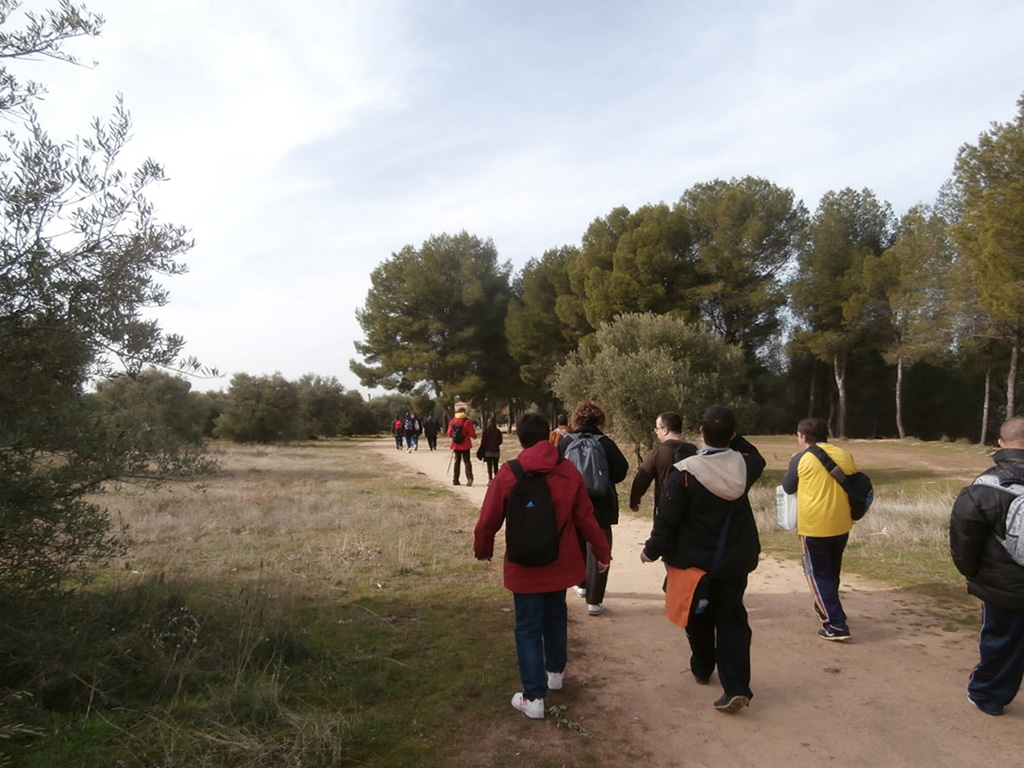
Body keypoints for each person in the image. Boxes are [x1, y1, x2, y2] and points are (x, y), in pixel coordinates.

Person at [474, 412, 612, 719]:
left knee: (527, 628)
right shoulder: (568, 471)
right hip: (559, 564)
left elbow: (487, 522)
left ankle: (533, 698)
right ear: (548, 436)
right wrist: (602, 553)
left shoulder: (510, 473)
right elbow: (587, 520)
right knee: (555, 617)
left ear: (521, 439)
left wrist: (483, 550)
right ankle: (556, 675)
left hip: (523, 566)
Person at [640, 405, 765, 714]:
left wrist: (651, 550)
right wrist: (731, 436)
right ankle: (735, 685)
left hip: (693, 561)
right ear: (733, 435)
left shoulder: (686, 471)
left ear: (701, 433)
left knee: (697, 615)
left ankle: (701, 665)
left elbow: (668, 520)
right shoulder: (745, 465)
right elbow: (753, 452)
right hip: (734, 558)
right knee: (732, 619)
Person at [950, 416, 1024, 716]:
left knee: (1001, 638)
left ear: (1001, 443)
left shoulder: (984, 488)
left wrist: (973, 574)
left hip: (1003, 585)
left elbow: (965, 539)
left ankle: (988, 694)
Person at [780, 417, 858, 641]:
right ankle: (824, 606)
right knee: (832, 571)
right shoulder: (845, 455)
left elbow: (788, 486)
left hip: (814, 525)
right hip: (842, 522)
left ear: (803, 437)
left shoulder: (801, 458)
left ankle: (835, 623)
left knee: (817, 574)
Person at [558, 400, 628, 616]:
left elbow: (557, 469)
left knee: (577, 541)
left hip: (573, 502)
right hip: (602, 503)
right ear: (600, 420)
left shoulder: (566, 441)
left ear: (576, 419)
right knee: (600, 548)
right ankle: (594, 601)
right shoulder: (606, 442)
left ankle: (580, 584)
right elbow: (621, 471)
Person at [629, 411, 698, 515]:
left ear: (665, 430)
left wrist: (634, 500)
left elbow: (641, 479)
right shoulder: (694, 451)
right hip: (692, 510)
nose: (656, 432)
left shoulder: (657, 453)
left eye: (657, 429)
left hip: (666, 510)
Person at [448, 404, 477, 486]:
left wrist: (455, 437)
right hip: (466, 445)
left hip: (456, 445)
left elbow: (449, 433)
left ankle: (455, 480)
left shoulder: (452, 421)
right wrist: (474, 436)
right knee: (467, 462)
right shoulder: (468, 422)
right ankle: (469, 478)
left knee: (457, 462)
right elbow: (472, 433)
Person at [479, 417, 504, 484]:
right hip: (496, 451)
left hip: (488, 451)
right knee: (496, 466)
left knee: (489, 466)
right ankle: (496, 480)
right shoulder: (498, 431)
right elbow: (500, 441)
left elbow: (483, 442)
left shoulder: (486, 432)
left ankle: (490, 479)